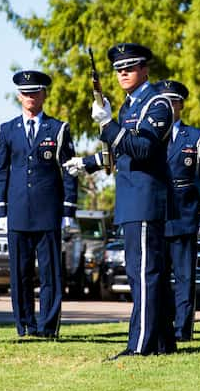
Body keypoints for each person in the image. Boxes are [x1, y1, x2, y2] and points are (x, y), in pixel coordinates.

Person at [63, 43, 176, 358]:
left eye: (130, 67)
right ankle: (164, 343)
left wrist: (106, 125)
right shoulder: (128, 106)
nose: (123, 73)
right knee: (147, 274)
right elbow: (119, 154)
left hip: (144, 198)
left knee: (144, 275)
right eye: (119, 69)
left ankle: (140, 347)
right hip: (132, 199)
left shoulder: (157, 103)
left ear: (145, 68)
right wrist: (86, 163)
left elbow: (143, 149)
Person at [0, 70, 78, 338]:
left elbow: (69, 171)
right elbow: (2, 172)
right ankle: (25, 326)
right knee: (19, 274)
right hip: (17, 212)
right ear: (19, 96)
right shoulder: (7, 130)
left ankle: (48, 327)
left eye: (35, 92)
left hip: (48, 212)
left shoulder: (58, 129)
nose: (30, 97)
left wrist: (69, 209)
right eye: (25, 93)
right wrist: (1, 207)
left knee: (50, 274)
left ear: (44, 94)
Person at [156, 80, 200, 342]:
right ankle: (161, 325)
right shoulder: (149, 134)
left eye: (174, 101)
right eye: (165, 102)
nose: (170, 106)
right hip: (156, 213)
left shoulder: (196, 137)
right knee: (156, 277)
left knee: (184, 277)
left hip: (184, 213)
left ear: (181, 105)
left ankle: (183, 329)